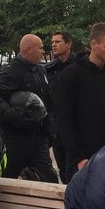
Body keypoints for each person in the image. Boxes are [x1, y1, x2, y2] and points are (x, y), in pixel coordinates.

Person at [55, 22, 105, 181]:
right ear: (93, 44)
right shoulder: (72, 74)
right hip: (83, 159)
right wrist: (79, 158)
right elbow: (64, 119)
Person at [0, 34, 57, 181]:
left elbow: (47, 101)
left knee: (49, 179)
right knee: (8, 180)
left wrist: (49, 131)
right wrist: (15, 116)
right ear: (28, 49)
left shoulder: (41, 70)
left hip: (39, 138)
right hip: (15, 140)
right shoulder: (11, 71)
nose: (43, 51)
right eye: (40, 48)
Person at [45, 30, 76, 183]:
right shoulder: (49, 69)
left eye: (58, 42)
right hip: (57, 128)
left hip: (76, 127)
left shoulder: (80, 66)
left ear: (68, 44)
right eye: (52, 43)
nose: (54, 45)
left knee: (74, 171)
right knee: (63, 171)